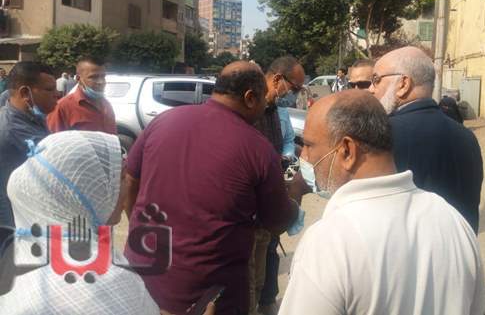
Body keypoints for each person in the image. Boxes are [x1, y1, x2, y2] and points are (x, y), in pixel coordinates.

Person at [279, 90, 484, 315]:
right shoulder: (454, 221)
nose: (304, 157)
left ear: (347, 150)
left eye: (309, 145)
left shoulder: (329, 242)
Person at [124, 61, 305, 315]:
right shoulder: (258, 149)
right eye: (262, 99)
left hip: (142, 279)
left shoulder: (163, 121)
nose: (265, 106)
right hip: (207, 296)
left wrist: (140, 230)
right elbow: (276, 222)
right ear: (250, 98)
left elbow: (130, 181)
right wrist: (295, 193)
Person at [0, 131, 160, 314]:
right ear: (87, 190)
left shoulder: (25, 251)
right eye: (122, 178)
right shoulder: (108, 283)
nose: (126, 187)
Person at [369, 46, 483, 233]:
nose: (371, 89)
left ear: (403, 84)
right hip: (460, 247)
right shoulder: (467, 136)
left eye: (376, 80)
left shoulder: (382, 135)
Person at [251, 56, 305, 315]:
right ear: (277, 80)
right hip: (251, 207)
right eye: (295, 88)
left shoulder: (276, 110)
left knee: (267, 256)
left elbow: (287, 142)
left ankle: (266, 300)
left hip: (270, 200)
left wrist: (286, 168)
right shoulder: (251, 109)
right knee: (248, 275)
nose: (294, 95)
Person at [0, 62, 57, 239]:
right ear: (25, 93)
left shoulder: (31, 117)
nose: (57, 95)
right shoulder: (14, 131)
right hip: (17, 224)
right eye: (49, 89)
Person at [47, 57, 117, 134]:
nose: (101, 82)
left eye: (103, 77)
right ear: (78, 78)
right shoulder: (62, 107)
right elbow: (54, 140)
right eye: (93, 77)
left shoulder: (106, 105)